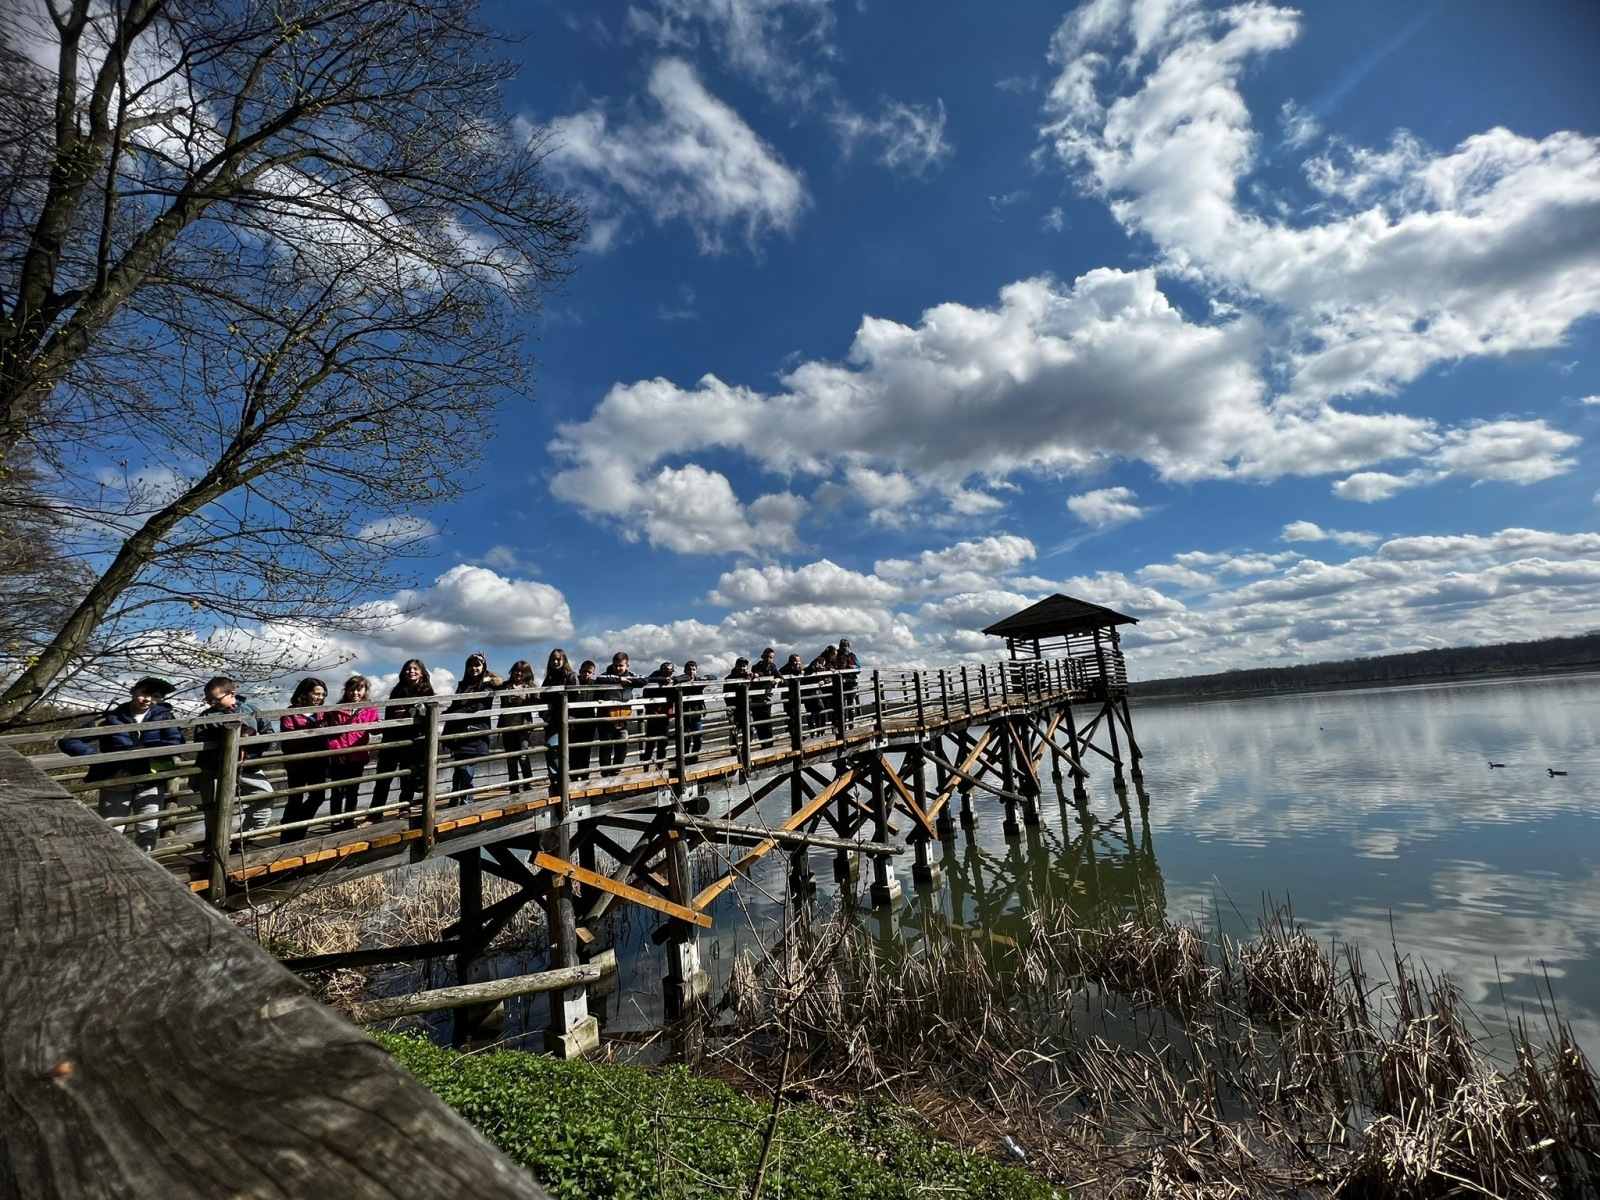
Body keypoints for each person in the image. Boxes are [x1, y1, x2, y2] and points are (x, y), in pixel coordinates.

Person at [58, 677, 183, 853]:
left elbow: (176, 744)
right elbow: (70, 740)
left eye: (156, 696)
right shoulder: (111, 718)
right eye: (145, 693)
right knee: (111, 829)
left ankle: (145, 867)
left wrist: (144, 750)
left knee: (148, 830)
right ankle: (111, 867)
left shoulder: (166, 717)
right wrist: (98, 757)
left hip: (149, 781)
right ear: (133, 691)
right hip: (116, 780)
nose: (148, 699)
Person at [195, 675, 276, 845]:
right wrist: (225, 735)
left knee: (265, 800)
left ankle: (242, 841)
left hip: (249, 767)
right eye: (209, 700)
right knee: (216, 814)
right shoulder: (206, 717)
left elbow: (271, 736)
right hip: (217, 771)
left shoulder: (252, 710)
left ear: (232, 693)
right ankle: (214, 851)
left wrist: (253, 736)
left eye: (216, 700)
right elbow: (200, 744)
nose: (212, 704)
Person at [369, 658, 433, 816]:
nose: (411, 671)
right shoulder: (397, 691)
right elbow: (392, 714)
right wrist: (409, 712)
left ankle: (404, 809)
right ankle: (375, 814)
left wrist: (407, 713)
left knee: (407, 778)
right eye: (408, 669)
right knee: (383, 778)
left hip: (412, 741)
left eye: (415, 669)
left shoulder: (426, 691)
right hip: (391, 738)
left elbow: (426, 713)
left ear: (422, 672)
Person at [446, 653, 503, 804]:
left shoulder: (487, 686)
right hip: (459, 733)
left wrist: (453, 714)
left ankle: (465, 804)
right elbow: (455, 705)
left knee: (466, 770)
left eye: (477, 665)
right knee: (459, 770)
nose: (474, 668)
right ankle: (456, 802)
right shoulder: (463, 685)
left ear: (484, 667)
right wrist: (444, 714)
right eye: (470, 665)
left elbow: (477, 706)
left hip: (475, 731)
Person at [325, 675, 379, 830]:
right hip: (339, 757)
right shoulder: (336, 709)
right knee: (337, 791)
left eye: (359, 689)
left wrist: (380, 725)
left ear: (365, 690)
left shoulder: (370, 708)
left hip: (358, 755)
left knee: (353, 791)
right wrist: (335, 752)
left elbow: (374, 731)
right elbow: (330, 734)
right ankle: (335, 822)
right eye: (351, 689)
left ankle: (349, 820)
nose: (355, 693)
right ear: (346, 690)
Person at [278, 677, 328, 842]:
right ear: (304, 694)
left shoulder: (323, 712)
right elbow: (289, 739)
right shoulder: (290, 713)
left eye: (322, 694)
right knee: (295, 800)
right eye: (316, 694)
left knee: (318, 796)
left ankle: (298, 829)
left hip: (319, 761)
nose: (319, 698)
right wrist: (312, 731)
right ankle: (287, 836)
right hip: (297, 763)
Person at [595, 652, 644, 776]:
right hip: (607, 718)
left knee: (623, 745)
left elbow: (644, 680)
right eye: (615, 665)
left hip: (623, 719)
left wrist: (630, 682)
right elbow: (599, 680)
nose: (618, 668)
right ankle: (605, 773)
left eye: (621, 666)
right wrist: (619, 680)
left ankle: (617, 770)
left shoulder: (631, 675)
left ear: (627, 665)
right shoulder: (606, 675)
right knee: (606, 747)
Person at [498, 659, 539, 793]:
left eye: (522, 671)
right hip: (507, 726)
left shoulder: (531, 686)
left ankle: (528, 784)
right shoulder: (506, 685)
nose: (519, 674)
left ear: (527, 673)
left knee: (523, 755)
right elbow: (493, 679)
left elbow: (538, 702)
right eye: (517, 670)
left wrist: (523, 701)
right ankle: (514, 786)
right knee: (511, 758)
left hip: (523, 726)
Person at [541, 648, 578, 780]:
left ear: (564, 660)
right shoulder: (549, 679)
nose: (555, 662)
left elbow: (575, 699)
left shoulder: (571, 676)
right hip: (551, 722)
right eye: (553, 659)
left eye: (558, 659)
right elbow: (542, 698)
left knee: (554, 748)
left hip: (565, 720)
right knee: (552, 749)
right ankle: (556, 779)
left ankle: (561, 779)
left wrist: (567, 715)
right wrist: (543, 713)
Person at [567, 659, 599, 782]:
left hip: (589, 720)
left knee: (586, 749)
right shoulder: (574, 682)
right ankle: (573, 775)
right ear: (580, 671)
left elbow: (600, 696)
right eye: (584, 671)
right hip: (574, 719)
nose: (587, 674)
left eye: (589, 672)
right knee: (573, 749)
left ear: (593, 673)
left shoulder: (595, 685)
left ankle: (585, 774)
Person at [679, 660, 715, 762]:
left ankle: (694, 758)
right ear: (685, 670)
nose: (691, 671)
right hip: (683, 715)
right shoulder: (681, 681)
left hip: (696, 714)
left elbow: (714, 677)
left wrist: (706, 677)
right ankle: (684, 761)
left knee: (698, 739)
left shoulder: (699, 682)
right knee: (685, 740)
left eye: (694, 669)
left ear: (696, 671)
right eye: (689, 669)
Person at [642, 661, 678, 764]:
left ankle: (660, 765)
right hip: (653, 715)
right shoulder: (653, 679)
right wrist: (663, 680)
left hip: (664, 716)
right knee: (650, 744)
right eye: (666, 673)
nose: (668, 675)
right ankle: (646, 767)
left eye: (670, 673)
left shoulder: (672, 682)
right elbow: (647, 681)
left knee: (663, 743)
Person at [749, 647, 781, 748]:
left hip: (766, 699)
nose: (768, 659)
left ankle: (770, 745)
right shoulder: (756, 667)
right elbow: (760, 673)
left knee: (767, 724)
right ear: (762, 656)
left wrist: (778, 680)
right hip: (755, 699)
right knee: (759, 725)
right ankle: (764, 745)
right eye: (767, 657)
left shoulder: (773, 667)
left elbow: (784, 680)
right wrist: (758, 675)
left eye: (771, 657)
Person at [723, 657, 754, 755]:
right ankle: (734, 752)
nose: (742, 668)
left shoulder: (750, 677)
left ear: (747, 667)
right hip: (734, 709)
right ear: (735, 666)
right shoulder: (729, 678)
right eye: (740, 666)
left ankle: (746, 749)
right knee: (734, 732)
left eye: (744, 666)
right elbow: (726, 695)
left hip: (747, 708)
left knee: (750, 729)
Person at [805, 645, 838, 731]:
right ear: (829, 654)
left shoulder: (831, 663)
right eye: (833, 655)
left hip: (824, 689)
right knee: (815, 710)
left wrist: (826, 679)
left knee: (823, 710)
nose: (834, 657)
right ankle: (814, 731)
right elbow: (808, 671)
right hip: (813, 689)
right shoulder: (819, 660)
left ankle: (822, 730)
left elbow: (831, 676)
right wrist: (815, 668)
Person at [778, 652, 806, 738]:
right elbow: (790, 672)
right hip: (788, 695)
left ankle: (798, 734)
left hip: (796, 695)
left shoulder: (798, 668)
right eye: (795, 661)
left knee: (797, 715)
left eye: (798, 661)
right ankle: (794, 734)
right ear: (790, 661)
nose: (797, 663)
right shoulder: (786, 668)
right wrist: (800, 671)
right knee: (791, 716)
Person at [836, 637, 861, 725]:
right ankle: (842, 724)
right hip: (840, 683)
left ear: (848, 646)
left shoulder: (852, 656)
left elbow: (859, 668)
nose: (844, 647)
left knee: (850, 704)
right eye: (842, 645)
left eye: (845, 645)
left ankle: (851, 723)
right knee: (841, 705)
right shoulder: (836, 655)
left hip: (851, 683)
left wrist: (853, 667)